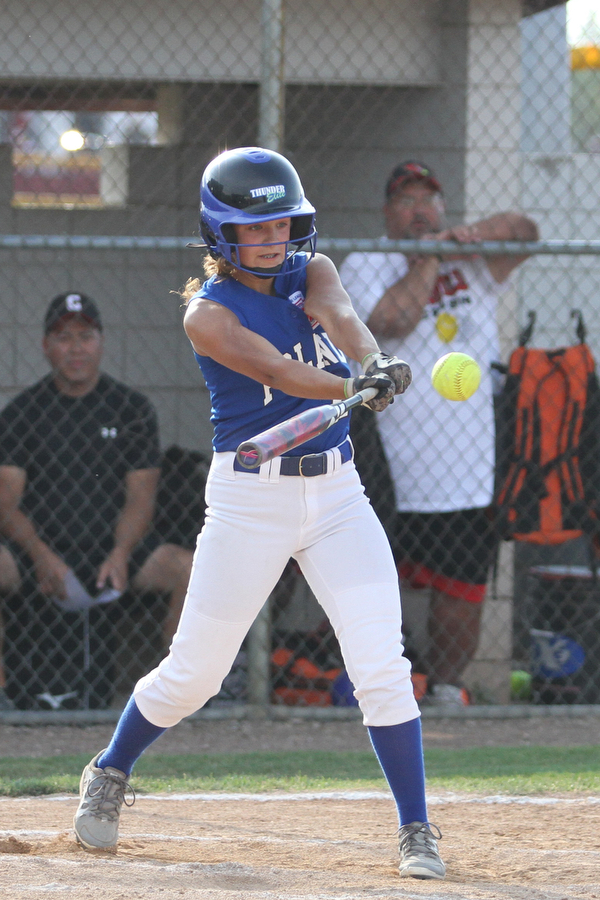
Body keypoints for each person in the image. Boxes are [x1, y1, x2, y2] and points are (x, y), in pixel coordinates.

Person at [71, 146, 445, 881]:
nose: (274, 239)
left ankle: (415, 827)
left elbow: (341, 317)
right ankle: (111, 769)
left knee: (381, 665)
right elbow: (275, 370)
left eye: (283, 223)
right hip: (250, 499)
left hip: (338, 494)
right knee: (196, 673)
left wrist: (368, 363)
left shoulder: (314, 271)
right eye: (256, 228)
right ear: (222, 235)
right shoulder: (207, 316)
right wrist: (346, 385)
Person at [340, 160, 539, 706]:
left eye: (429, 198)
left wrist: (477, 235)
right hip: (389, 468)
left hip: (468, 469)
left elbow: (527, 232)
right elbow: (390, 322)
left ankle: (448, 688)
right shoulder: (369, 262)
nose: (419, 209)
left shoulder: (471, 262)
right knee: (379, 587)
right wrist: (429, 255)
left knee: (462, 590)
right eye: (406, 200)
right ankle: (391, 691)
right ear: (388, 213)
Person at [0, 292, 194, 709]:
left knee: (190, 568)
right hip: (40, 553)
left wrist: (122, 552)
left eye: (85, 336)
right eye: (64, 338)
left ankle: (178, 693)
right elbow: (6, 503)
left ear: (101, 342)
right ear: (46, 346)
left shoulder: (131, 408)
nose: (75, 348)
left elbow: (141, 498)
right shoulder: (20, 413)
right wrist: (39, 554)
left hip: (113, 552)